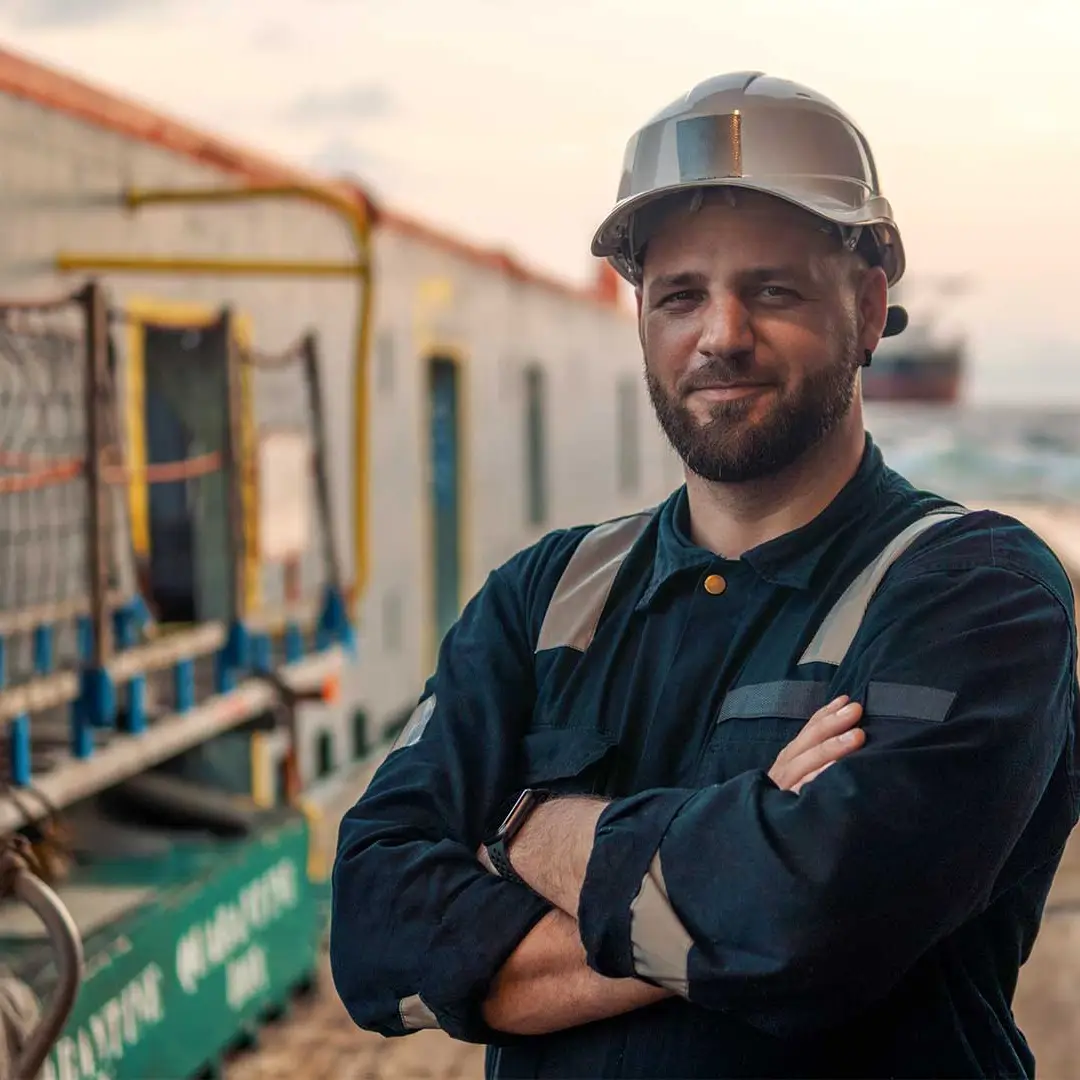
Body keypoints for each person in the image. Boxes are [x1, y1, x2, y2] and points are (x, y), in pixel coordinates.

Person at [330, 71, 1080, 1078]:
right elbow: (376, 931)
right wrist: (735, 866)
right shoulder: (543, 597)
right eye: (682, 295)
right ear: (643, 319)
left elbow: (812, 927)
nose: (721, 335)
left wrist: (515, 827)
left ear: (865, 310)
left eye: (772, 289)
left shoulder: (977, 594)